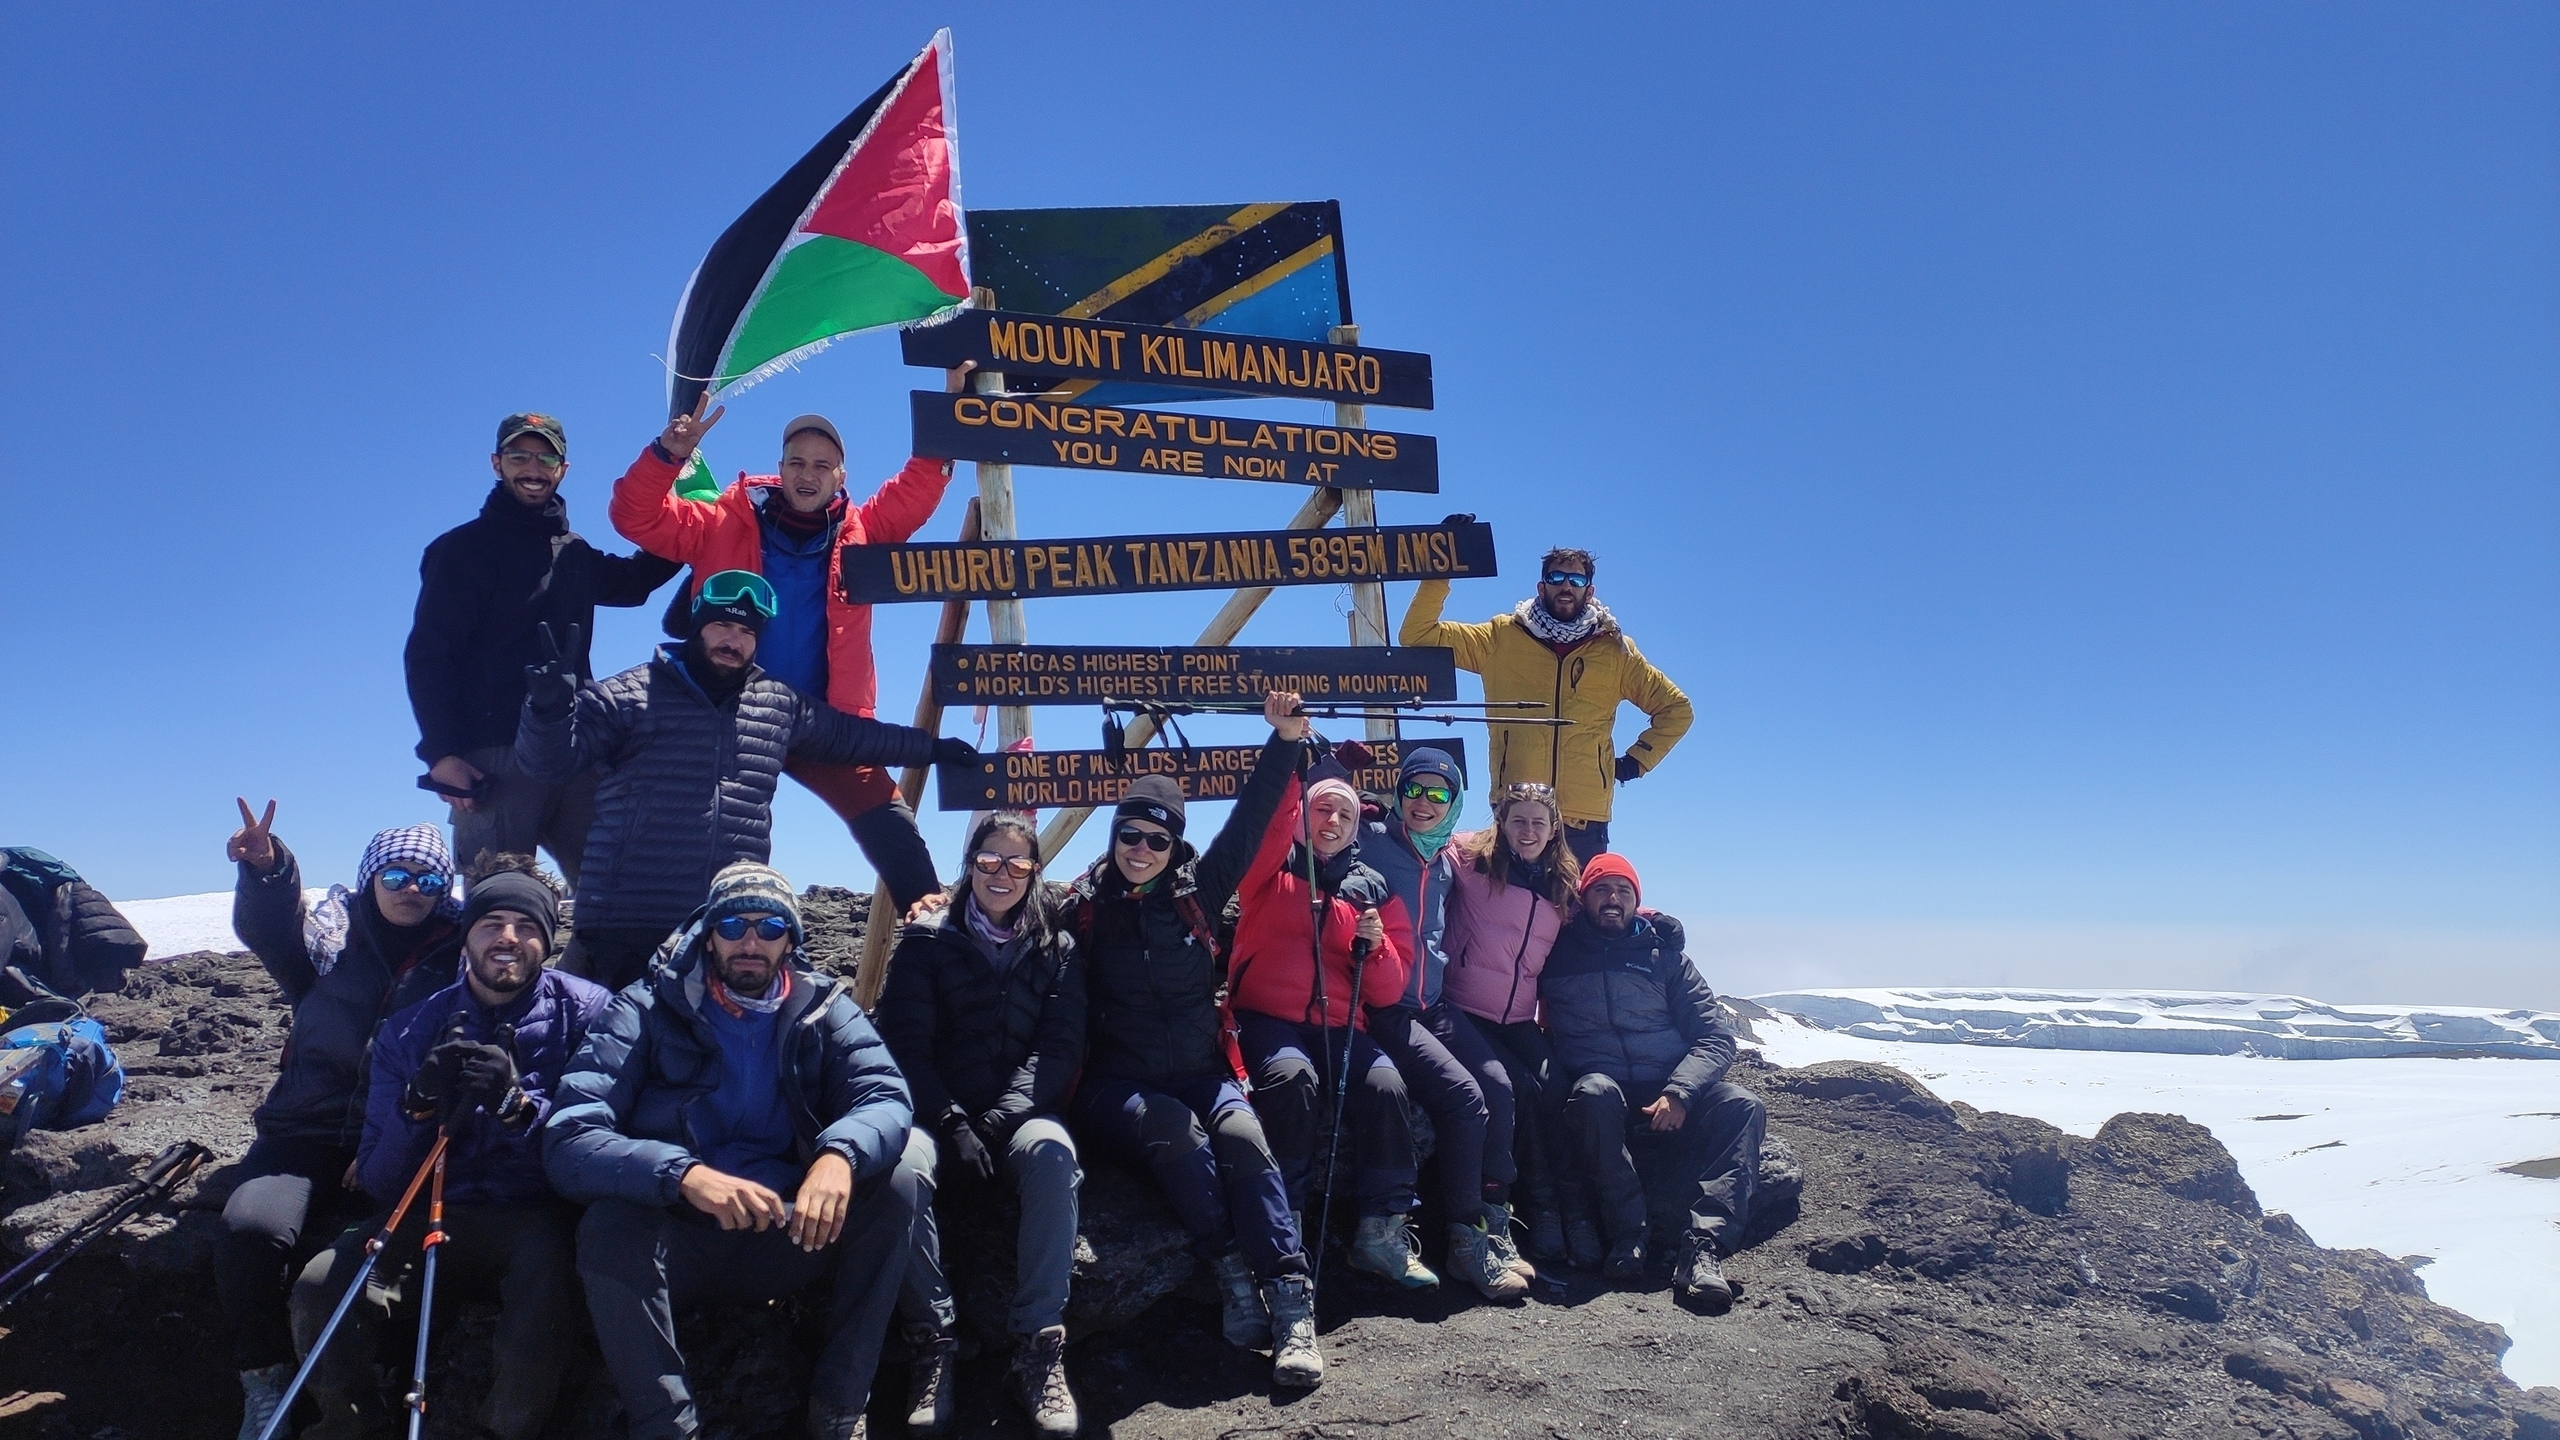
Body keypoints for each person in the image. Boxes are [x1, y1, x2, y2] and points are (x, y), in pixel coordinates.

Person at [545, 863, 918, 1440]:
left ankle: (840, 1408)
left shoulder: (824, 1008)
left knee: (895, 1186)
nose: (751, 941)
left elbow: (885, 1095)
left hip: (790, 1233)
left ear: (790, 940)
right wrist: (682, 1175)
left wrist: (838, 1155)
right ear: (707, 933)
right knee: (610, 1227)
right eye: (732, 924)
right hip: (681, 1239)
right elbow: (570, 1135)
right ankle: (668, 1427)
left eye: (770, 927)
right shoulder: (645, 1008)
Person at [514, 569, 974, 991]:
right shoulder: (626, 695)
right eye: (722, 625)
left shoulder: (776, 703)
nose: (733, 640)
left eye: (747, 632)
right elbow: (549, 764)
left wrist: (933, 749)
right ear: (697, 626)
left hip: (724, 926)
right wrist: (548, 711)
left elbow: (852, 738)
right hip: (622, 927)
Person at [609, 377, 969, 915]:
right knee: (706, 846)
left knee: (890, 823)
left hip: (828, 722)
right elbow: (635, 517)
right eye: (797, 463)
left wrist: (949, 411)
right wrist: (667, 456)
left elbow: (915, 490)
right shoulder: (722, 521)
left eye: (822, 466)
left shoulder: (862, 530)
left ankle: (934, 931)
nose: (808, 474)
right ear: (780, 469)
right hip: (729, 720)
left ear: (841, 476)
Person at [1057, 693, 1324, 1387]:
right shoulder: (1082, 908)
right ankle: (1232, 1272)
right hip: (1115, 1086)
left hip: (1203, 1070)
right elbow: (1005, 906)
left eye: (1157, 839)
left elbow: (1250, 817)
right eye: (1130, 835)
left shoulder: (1197, 894)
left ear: (1175, 845)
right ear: (1113, 836)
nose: (1141, 849)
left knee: (1243, 1135)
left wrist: (1285, 741)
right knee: (1174, 1130)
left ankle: (1290, 1300)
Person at [290, 866, 608, 1440]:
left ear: (547, 939)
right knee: (321, 1285)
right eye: (491, 924)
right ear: (466, 937)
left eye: (525, 926)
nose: (508, 938)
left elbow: (596, 1148)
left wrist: (517, 1108)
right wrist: (415, 1107)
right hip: (429, 1211)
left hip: (533, 1214)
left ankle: (503, 1432)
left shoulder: (589, 1014)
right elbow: (381, 1180)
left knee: (545, 1288)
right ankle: (352, 1426)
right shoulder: (409, 1030)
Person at [218, 805, 465, 1440]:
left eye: (429, 880)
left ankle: (378, 1390)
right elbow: (268, 928)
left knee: (381, 1263)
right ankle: (266, 1381)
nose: (412, 889)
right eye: (396, 876)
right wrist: (268, 871)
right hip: (303, 1129)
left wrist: (391, 1138)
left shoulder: (459, 954)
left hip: (397, 1135)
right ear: (369, 878)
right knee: (250, 1231)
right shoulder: (326, 945)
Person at [405, 412, 680, 886]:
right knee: (498, 903)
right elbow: (430, 655)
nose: (532, 468)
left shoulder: (572, 551)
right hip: (495, 756)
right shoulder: (460, 551)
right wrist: (441, 752)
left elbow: (634, 583)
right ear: (497, 463)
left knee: (614, 894)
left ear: (562, 469)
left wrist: (688, 528)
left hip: (575, 750)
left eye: (545, 458)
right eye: (519, 456)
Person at [876, 812, 1084, 1438]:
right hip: (933, 1114)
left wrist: (995, 1121)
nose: (1002, 873)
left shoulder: (1057, 947)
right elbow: (903, 1044)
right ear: (970, 864)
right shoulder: (925, 941)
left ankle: (1038, 1347)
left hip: (1016, 1117)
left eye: (1018, 863)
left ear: (1034, 871)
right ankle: (933, 1341)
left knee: (1053, 1158)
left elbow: (1057, 1049)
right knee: (900, 1173)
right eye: (989, 859)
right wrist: (951, 1121)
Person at [1226, 750, 1426, 1291]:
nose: (1331, 821)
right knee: (1293, 1078)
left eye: (1344, 813)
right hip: (1266, 1018)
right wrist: (1293, 756)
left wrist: (1376, 947)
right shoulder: (1271, 867)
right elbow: (1271, 822)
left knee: (1385, 1083)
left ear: (1356, 823)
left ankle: (1380, 1232)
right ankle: (1283, 1227)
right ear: (1303, 813)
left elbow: (1389, 990)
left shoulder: (1373, 890)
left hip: (1341, 1026)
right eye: (1321, 810)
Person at [1540, 854, 1762, 1310]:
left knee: (1743, 1106)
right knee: (1593, 1093)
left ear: (1636, 901)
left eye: (1623, 890)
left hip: (1668, 1086)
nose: (1612, 899)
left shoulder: (1667, 959)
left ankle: (1704, 1248)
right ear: (1584, 899)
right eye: (1601, 889)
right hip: (1604, 1092)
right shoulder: (1556, 954)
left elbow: (1716, 1037)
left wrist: (1680, 1093)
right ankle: (1629, 1235)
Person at [1360, 749, 1531, 1300]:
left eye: (1439, 793)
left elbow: (1521, 865)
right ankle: (1466, 1240)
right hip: (1384, 1007)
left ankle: (1496, 1220)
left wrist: (1643, 916)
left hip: (1433, 1004)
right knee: (1464, 1097)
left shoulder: (1449, 858)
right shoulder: (1370, 839)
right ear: (1398, 793)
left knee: (1499, 1086)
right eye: (1414, 789)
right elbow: (1316, 822)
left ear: (1453, 802)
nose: (1424, 802)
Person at [1397, 545, 1693, 864]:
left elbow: (1676, 710)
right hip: (1516, 812)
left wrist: (1635, 763)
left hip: (1583, 820)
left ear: (1589, 591)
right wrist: (1440, 570)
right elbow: (1417, 634)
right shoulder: (1500, 637)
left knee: (1575, 900)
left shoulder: (1615, 651)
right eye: (1556, 578)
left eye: (1576, 580)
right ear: (1542, 587)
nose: (1566, 586)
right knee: (1509, 899)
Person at [1429, 782, 1579, 1268]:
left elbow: (1604, 906)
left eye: (1538, 822)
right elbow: (1424, 839)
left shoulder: (1561, 885)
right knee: (1512, 1089)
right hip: (1461, 1006)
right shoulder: (1472, 860)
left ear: (1553, 829)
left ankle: (1558, 1204)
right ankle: (1508, 1209)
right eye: (1518, 821)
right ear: (1502, 823)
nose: (1528, 831)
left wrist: (1650, 917)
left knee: (1557, 1088)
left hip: (1516, 1018)